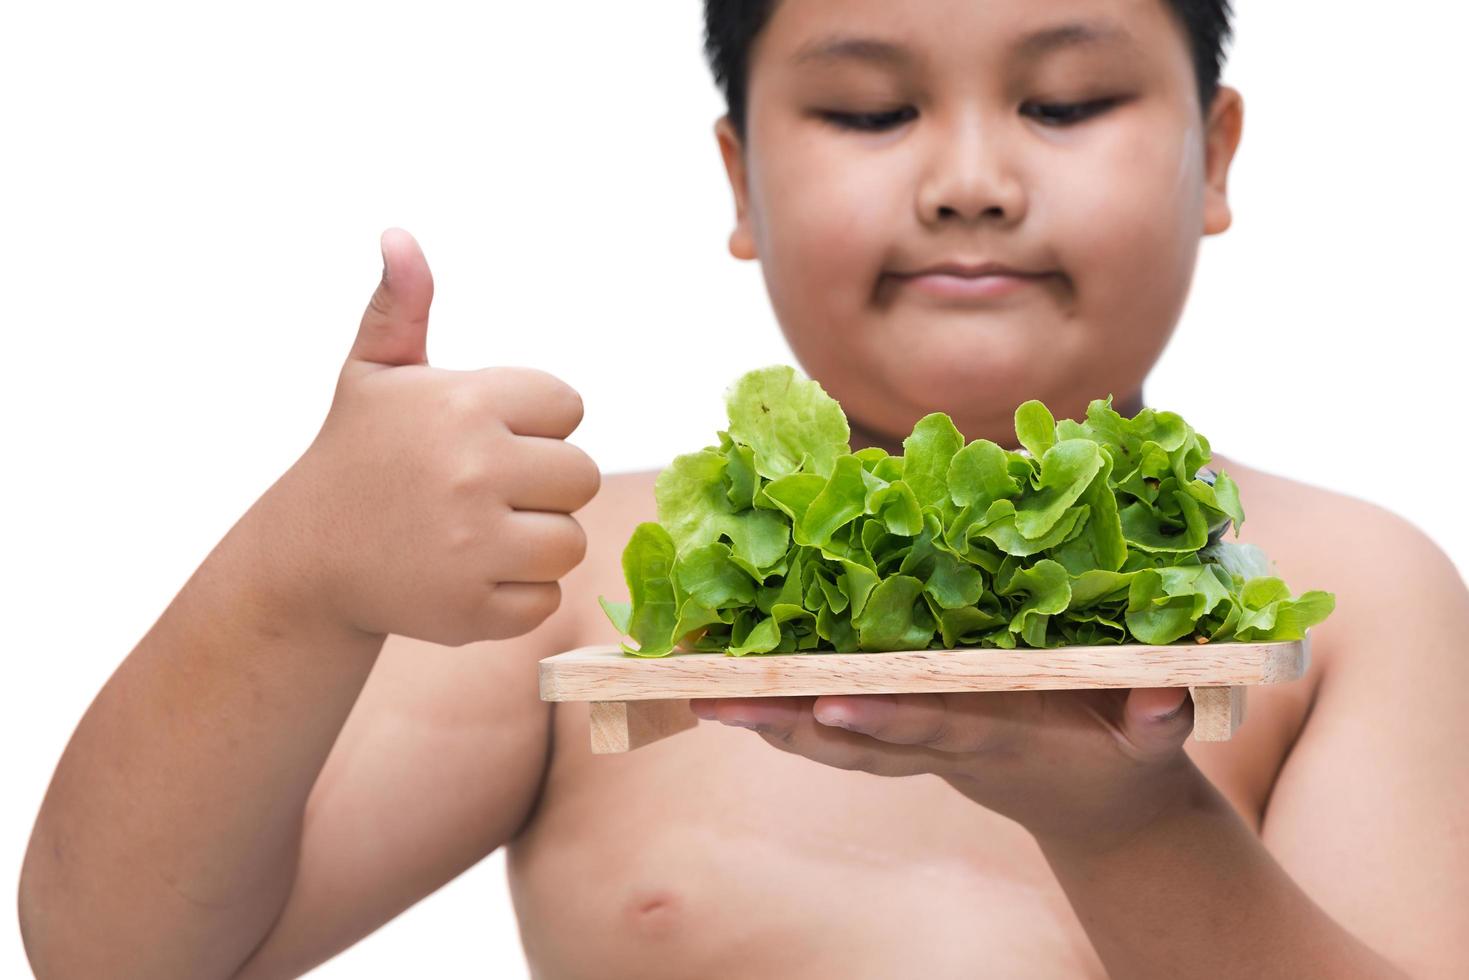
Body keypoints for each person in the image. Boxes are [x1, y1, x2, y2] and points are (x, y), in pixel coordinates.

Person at [18, 0, 1468, 977]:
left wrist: (1129, 824)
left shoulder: (1348, 593)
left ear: (1213, 155)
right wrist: (295, 580)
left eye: (1066, 101)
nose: (969, 179)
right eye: (864, 114)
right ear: (737, 180)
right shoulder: (579, 579)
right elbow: (122, 952)